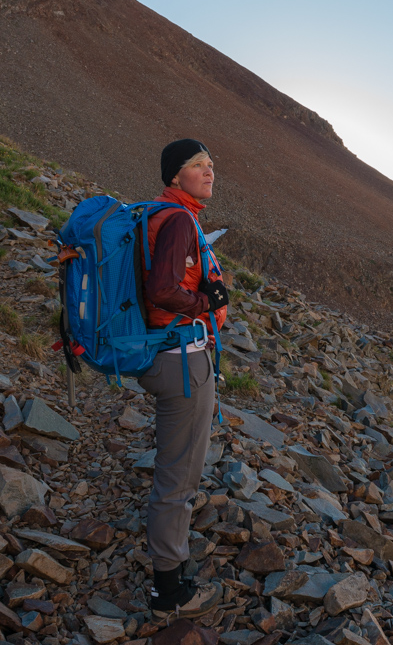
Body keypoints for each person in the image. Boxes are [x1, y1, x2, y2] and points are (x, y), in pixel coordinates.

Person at [140, 138, 229, 616]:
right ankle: (169, 592)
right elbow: (163, 290)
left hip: (165, 357)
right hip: (182, 359)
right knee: (178, 479)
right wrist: (206, 306)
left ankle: (168, 573)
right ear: (175, 176)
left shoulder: (160, 214)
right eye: (198, 165)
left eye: (211, 164)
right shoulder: (177, 220)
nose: (209, 171)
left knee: (175, 471)